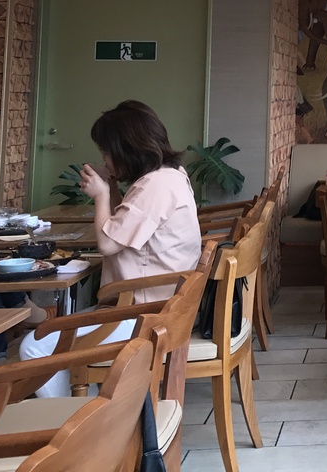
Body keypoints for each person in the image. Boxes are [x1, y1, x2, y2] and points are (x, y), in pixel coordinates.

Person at [19, 100, 202, 396]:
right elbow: (123, 227)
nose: (103, 158)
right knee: (57, 341)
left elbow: (107, 243)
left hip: (142, 314)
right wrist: (113, 189)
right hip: (162, 307)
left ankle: (82, 420)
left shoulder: (154, 186)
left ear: (125, 149)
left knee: (34, 347)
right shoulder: (171, 174)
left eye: (105, 151)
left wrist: (101, 196)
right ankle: (97, 410)